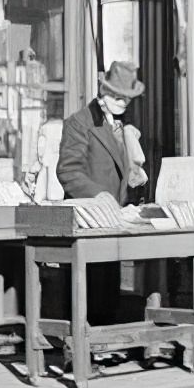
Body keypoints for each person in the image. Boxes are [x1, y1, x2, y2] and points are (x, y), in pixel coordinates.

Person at [56, 60, 149, 324]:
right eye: (117, 96)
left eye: (127, 98)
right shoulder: (79, 123)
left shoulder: (122, 123)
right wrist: (97, 194)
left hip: (113, 220)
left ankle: (102, 343)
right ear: (102, 92)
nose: (122, 102)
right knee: (86, 290)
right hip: (88, 220)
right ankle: (81, 350)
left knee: (107, 288)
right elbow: (68, 171)